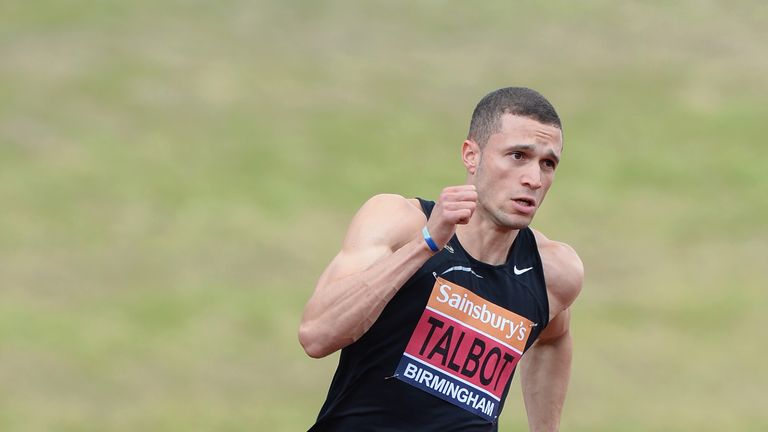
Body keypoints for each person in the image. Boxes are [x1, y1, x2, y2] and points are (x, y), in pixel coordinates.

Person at [299, 87, 584, 431]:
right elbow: (316, 335)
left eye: (548, 164)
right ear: (471, 155)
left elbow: (553, 339)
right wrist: (426, 244)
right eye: (518, 155)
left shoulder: (552, 273)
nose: (534, 179)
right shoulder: (400, 224)